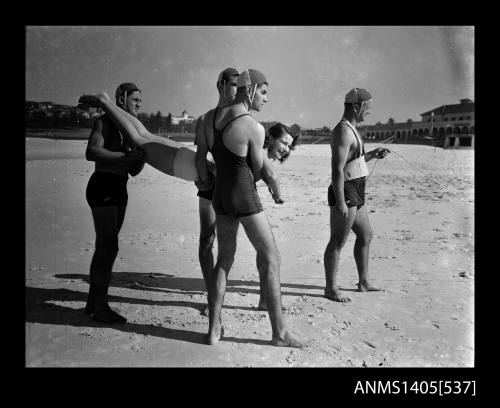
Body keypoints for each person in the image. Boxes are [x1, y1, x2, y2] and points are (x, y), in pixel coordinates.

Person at [199, 68, 305, 348]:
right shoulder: (253, 127)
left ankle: (213, 330)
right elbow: (258, 171)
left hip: (218, 196)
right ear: (250, 89)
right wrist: (273, 186)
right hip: (244, 197)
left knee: (224, 260)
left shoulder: (210, 118)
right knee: (272, 258)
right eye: (264, 91)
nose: (266, 99)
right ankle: (279, 332)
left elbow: (205, 161)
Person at [84, 82, 146, 324]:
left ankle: (93, 302)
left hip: (120, 187)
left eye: (141, 100)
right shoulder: (106, 121)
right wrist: (126, 155)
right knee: (108, 247)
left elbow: (134, 171)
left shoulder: (132, 129)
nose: (139, 103)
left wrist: (138, 156)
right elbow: (91, 152)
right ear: (121, 99)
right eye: (134, 99)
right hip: (103, 185)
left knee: (106, 247)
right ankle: (100, 307)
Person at [323, 88, 390, 303]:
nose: (369, 113)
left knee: (366, 235)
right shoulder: (342, 131)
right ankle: (331, 289)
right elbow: (337, 169)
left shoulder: (352, 129)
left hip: (357, 189)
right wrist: (341, 201)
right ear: (356, 106)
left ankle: (363, 282)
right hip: (346, 190)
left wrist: (372, 154)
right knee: (337, 241)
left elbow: (354, 161)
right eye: (367, 108)